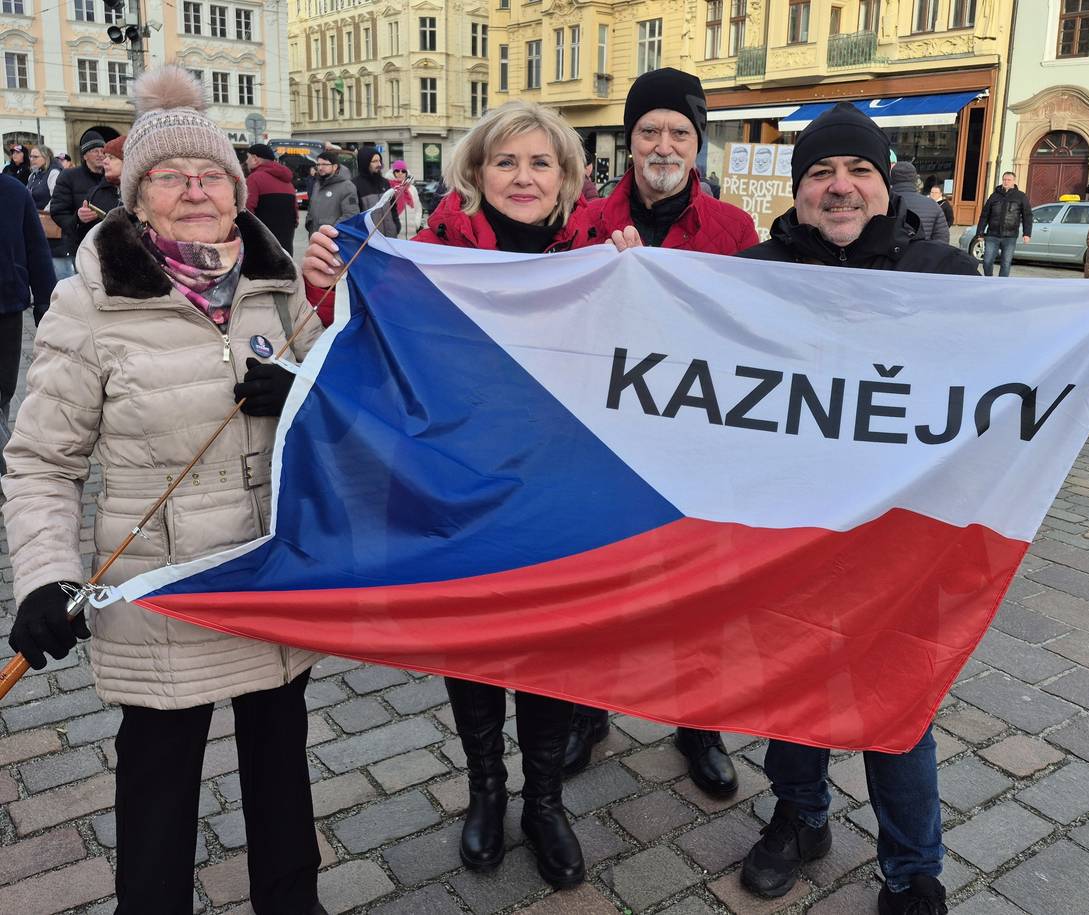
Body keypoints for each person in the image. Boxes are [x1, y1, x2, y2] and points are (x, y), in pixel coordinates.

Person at [734, 101, 1089, 915]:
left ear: (884, 183)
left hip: (906, 542)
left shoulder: (943, 274)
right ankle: (799, 818)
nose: (840, 187)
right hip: (790, 532)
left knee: (896, 703)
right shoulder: (753, 270)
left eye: (858, 171)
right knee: (792, 687)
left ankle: (912, 869)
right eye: (821, 173)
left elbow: (1029, 377)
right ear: (799, 190)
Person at [3, 66, 328, 915]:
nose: (195, 191)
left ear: (235, 187)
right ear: (137, 199)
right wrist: (42, 572)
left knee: (280, 770)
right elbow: (42, 460)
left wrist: (298, 390)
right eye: (169, 178)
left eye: (211, 174)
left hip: (270, 580)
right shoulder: (89, 304)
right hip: (163, 594)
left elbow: (336, 402)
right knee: (158, 787)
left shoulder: (276, 280)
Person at [302, 100, 598, 889]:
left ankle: (543, 800)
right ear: (475, 174)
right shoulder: (429, 253)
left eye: (541, 162)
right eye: (506, 161)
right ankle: (485, 790)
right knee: (473, 643)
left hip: (561, 493)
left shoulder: (603, 255)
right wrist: (326, 281)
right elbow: (355, 344)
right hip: (458, 491)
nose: (524, 177)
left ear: (567, 177)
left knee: (550, 650)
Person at [568, 67, 759, 797]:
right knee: (594, 582)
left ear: (697, 143)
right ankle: (586, 711)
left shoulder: (732, 229)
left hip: (695, 440)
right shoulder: (582, 219)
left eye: (679, 131)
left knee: (698, 590)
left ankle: (699, 723)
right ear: (630, 137)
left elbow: (752, 332)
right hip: (600, 437)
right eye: (649, 129)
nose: (663, 143)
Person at [0, 172, 55, 467]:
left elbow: (36, 248)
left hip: (6, 306)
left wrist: (45, 302)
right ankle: (9, 470)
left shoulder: (13, 191)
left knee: (4, 391)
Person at [49, 130, 108, 257]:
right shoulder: (69, 176)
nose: (100, 155)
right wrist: (78, 219)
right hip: (80, 245)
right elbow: (58, 211)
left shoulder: (111, 176)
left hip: (108, 244)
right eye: (94, 151)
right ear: (85, 156)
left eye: (102, 151)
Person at [26, 144, 73, 292]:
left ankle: (66, 297)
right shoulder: (33, 175)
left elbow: (57, 197)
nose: (31, 159)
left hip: (52, 225)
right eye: (30, 156)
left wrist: (43, 214)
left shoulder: (53, 172)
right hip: (38, 225)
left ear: (45, 157)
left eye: (35, 156)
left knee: (60, 269)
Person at [244, 143, 299, 255]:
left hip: (263, 245)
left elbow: (247, 211)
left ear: (255, 159)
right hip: (285, 245)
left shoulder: (254, 179)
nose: (246, 161)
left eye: (247, 157)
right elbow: (295, 216)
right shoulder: (288, 182)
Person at [975, 171, 1032, 277]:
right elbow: (984, 215)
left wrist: (1027, 233)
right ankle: (989, 280)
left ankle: (1001, 284)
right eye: (1004, 179)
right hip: (992, 234)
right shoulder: (994, 196)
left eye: (1008, 180)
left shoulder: (1020, 196)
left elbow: (1027, 215)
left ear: (1014, 181)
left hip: (1010, 236)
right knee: (987, 261)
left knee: (1005, 264)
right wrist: (980, 232)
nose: (1006, 182)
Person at [890, 161, 948, 242]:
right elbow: (942, 241)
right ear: (915, 179)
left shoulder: (880, 203)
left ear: (891, 179)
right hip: (924, 253)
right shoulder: (933, 205)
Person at [304, 149, 358, 232]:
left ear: (335, 167)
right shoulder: (317, 184)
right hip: (316, 237)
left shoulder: (347, 186)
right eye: (318, 164)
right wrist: (309, 223)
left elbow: (351, 215)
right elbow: (311, 208)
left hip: (334, 239)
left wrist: (331, 231)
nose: (320, 168)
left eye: (325, 164)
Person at [352, 147, 396, 235]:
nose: (379, 164)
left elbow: (393, 207)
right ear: (365, 163)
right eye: (374, 161)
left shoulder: (385, 182)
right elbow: (355, 216)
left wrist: (396, 225)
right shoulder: (354, 185)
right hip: (369, 238)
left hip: (390, 237)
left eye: (379, 160)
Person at [85, 135, 124, 216]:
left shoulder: (142, 194)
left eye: (111, 157)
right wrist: (80, 219)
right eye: (105, 157)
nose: (104, 161)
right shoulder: (94, 193)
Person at [387, 160, 424, 240]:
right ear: (393, 172)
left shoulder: (412, 189)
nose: (400, 173)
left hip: (412, 234)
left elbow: (418, 208)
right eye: (397, 171)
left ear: (406, 173)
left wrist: (416, 223)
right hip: (396, 235)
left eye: (403, 171)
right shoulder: (389, 188)